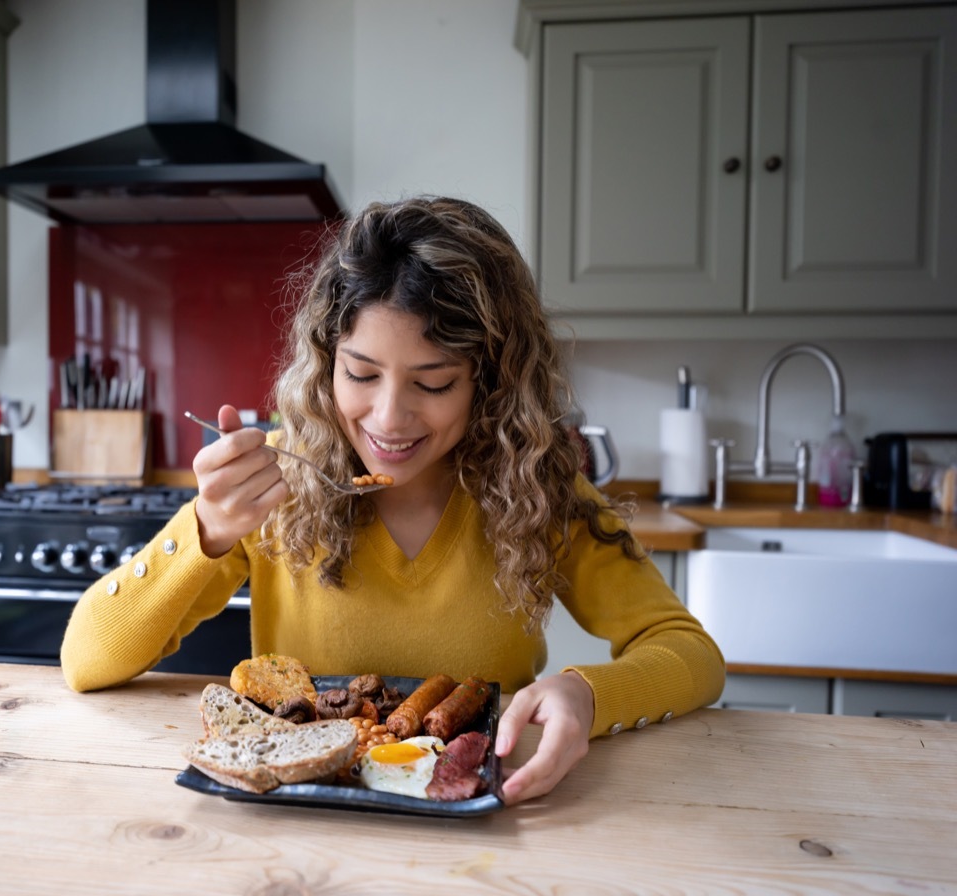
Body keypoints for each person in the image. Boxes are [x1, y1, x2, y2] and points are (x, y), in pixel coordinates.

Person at [61, 195, 725, 805]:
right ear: (326, 363)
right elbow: (86, 658)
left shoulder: (535, 487)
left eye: (433, 383)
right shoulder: (278, 479)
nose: (389, 417)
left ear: (487, 382)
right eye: (361, 373)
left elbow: (689, 652)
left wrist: (587, 694)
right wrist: (206, 529)